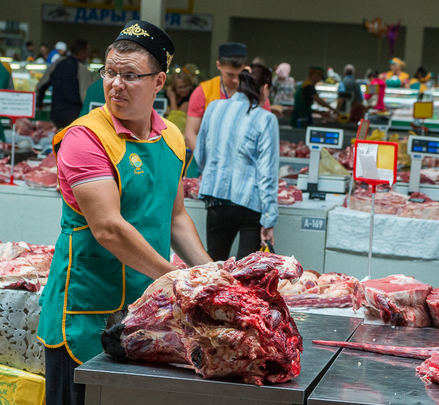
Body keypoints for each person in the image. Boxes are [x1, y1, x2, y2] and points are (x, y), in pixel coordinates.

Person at [36, 20, 212, 405]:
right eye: (110, 72)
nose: (116, 84)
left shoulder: (172, 137)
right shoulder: (85, 138)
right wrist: (177, 280)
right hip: (86, 316)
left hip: (145, 314)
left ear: (159, 81)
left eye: (130, 75)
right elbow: (109, 229)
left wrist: (209, 275)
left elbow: (176, 216)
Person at [194, 64, 278, 261]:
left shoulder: (214, 107)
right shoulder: (266, 118)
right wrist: (269, 219)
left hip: (215, 200)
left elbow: (200, 155)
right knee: (245, 274)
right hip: (249, 204)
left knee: (213, 267)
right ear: (265, 88)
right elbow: (267, 173)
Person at [185, 42, 248, 152]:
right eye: (230, 75)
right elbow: (191, 134)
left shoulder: (256, 93)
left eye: (240, 74)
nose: (236, 80)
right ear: (218, 65)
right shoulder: (203, 92)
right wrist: (209, 161)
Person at [36, 39, 96, 128]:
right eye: (87, 51)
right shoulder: (82, 69)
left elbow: (41, 85)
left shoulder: (58, 62)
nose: (88, 55)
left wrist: (39, 102)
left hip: (56, 114)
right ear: (82, 52)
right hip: (74, 117)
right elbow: (85, 96)